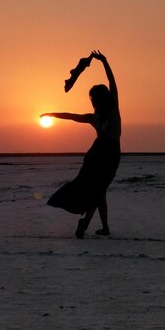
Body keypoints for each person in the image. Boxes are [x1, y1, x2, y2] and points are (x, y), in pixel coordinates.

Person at [41, 50, 121, 239]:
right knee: (99, 189)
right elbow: (113, 83)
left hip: (96, 153)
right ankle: (85, 224)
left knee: (97, 189)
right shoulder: (112, 110)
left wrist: (52, 114)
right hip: (109, 153)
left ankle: (104, 228)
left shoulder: (96, 116)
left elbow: (72, 116)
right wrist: (104, 61)